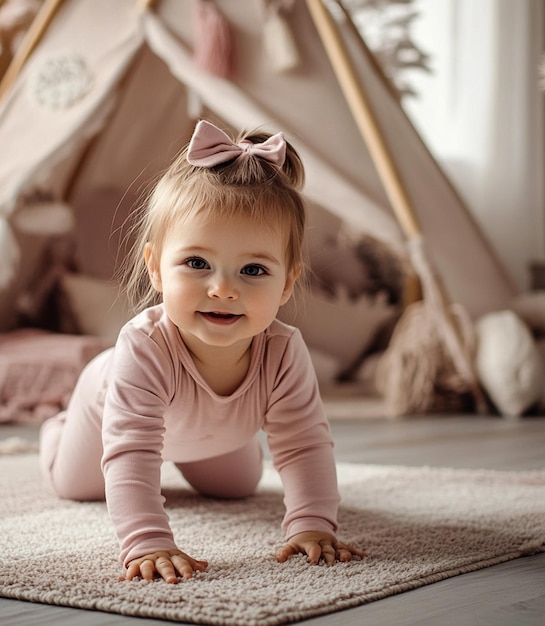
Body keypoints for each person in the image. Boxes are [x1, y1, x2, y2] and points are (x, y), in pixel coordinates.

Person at [39, 119, 366, 584]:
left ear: (287, 283)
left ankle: (200, 447)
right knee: (75, 486)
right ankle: (58, 429)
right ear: (154, 268)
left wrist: (313, 524)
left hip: (207, 429)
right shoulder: (144, 347)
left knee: (237, 488)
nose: (222, 289)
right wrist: (148, 540)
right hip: (106, 408)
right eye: (197, 264)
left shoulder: (284, 350)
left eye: (253, 270)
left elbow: (303, 443)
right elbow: (132, 452)